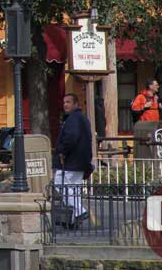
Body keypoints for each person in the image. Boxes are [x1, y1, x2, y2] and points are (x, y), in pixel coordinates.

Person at [54, 93, 93, 228]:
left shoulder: (73, 119)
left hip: (71, 160)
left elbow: (71, 137)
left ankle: (79, 212)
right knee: (74, 188)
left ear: (76, 104)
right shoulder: (82, 119)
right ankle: (73, 219)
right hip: (81, 160)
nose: (65, 105)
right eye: (64, 102)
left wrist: (62, 151)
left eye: (68, 102)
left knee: (60, 183)